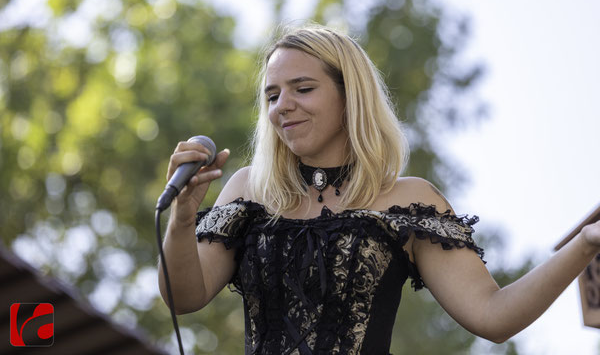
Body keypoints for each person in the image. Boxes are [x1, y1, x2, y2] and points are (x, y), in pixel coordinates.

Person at [158, 23, 600, 354]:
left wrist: (584, 243)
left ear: (350, 95)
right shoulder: (249, 190)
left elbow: (494, 317)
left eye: (303, 88)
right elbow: (184, 297)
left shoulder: (409, 200)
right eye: (272, 95)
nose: (282, 107)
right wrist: (181, 218)